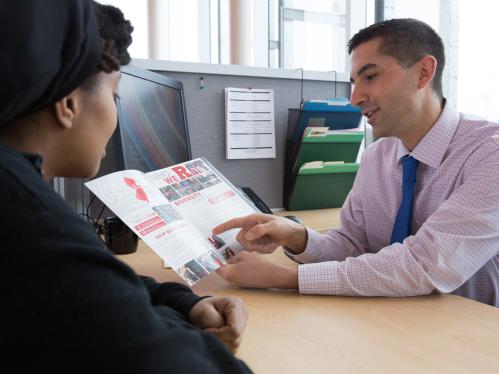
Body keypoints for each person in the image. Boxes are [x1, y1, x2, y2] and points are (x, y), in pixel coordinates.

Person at [0, 1, 250, 372]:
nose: (116, 113)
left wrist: (182, 302)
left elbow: (92, 284)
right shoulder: (28, 224)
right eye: (115, 96)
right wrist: (181, 328)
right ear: (67, 103)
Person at [213, 18, 499, 307]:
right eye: (354, 82)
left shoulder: (490, 154)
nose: (355, 99)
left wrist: (285, 278)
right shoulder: (377, 156)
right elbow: (353, 245)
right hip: (397, 324)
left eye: (370, 77)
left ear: (423, 72)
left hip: (471, 337)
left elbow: (425, 265)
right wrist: (297, 236)